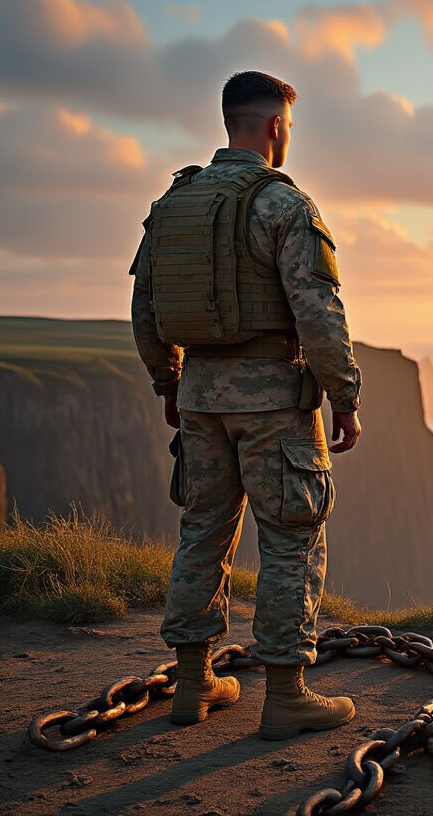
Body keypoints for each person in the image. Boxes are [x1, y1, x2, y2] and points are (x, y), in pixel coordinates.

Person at [130, 70, 363, 741]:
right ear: (276, 127)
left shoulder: (172, 204)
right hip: (274, 405)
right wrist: (344, 395)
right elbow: (318, 313)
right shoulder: (283, 204)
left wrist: (169, 383)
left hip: (200, 399)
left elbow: (144, 308)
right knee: (291, 539)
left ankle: (193, 682)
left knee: (203, 531)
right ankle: (286, 696)